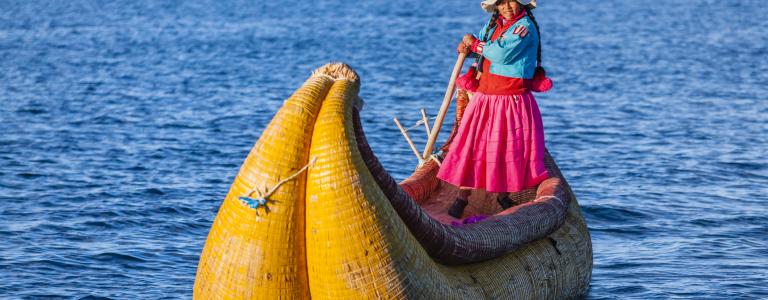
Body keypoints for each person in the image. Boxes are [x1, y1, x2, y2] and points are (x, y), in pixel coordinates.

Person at [436, 0, 552, 218]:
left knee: (506, 147)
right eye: (501, 3)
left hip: (510, 100)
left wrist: (474, 43)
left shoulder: (524, 27)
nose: (507, 7)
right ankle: (462, 196)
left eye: (511, 1)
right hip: (485, 97)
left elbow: (500, 54)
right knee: (473, 145)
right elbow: (483, 48)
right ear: (496, 7)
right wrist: (467, 47)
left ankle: (502, 195)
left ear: (521, 3)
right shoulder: (493, 25)